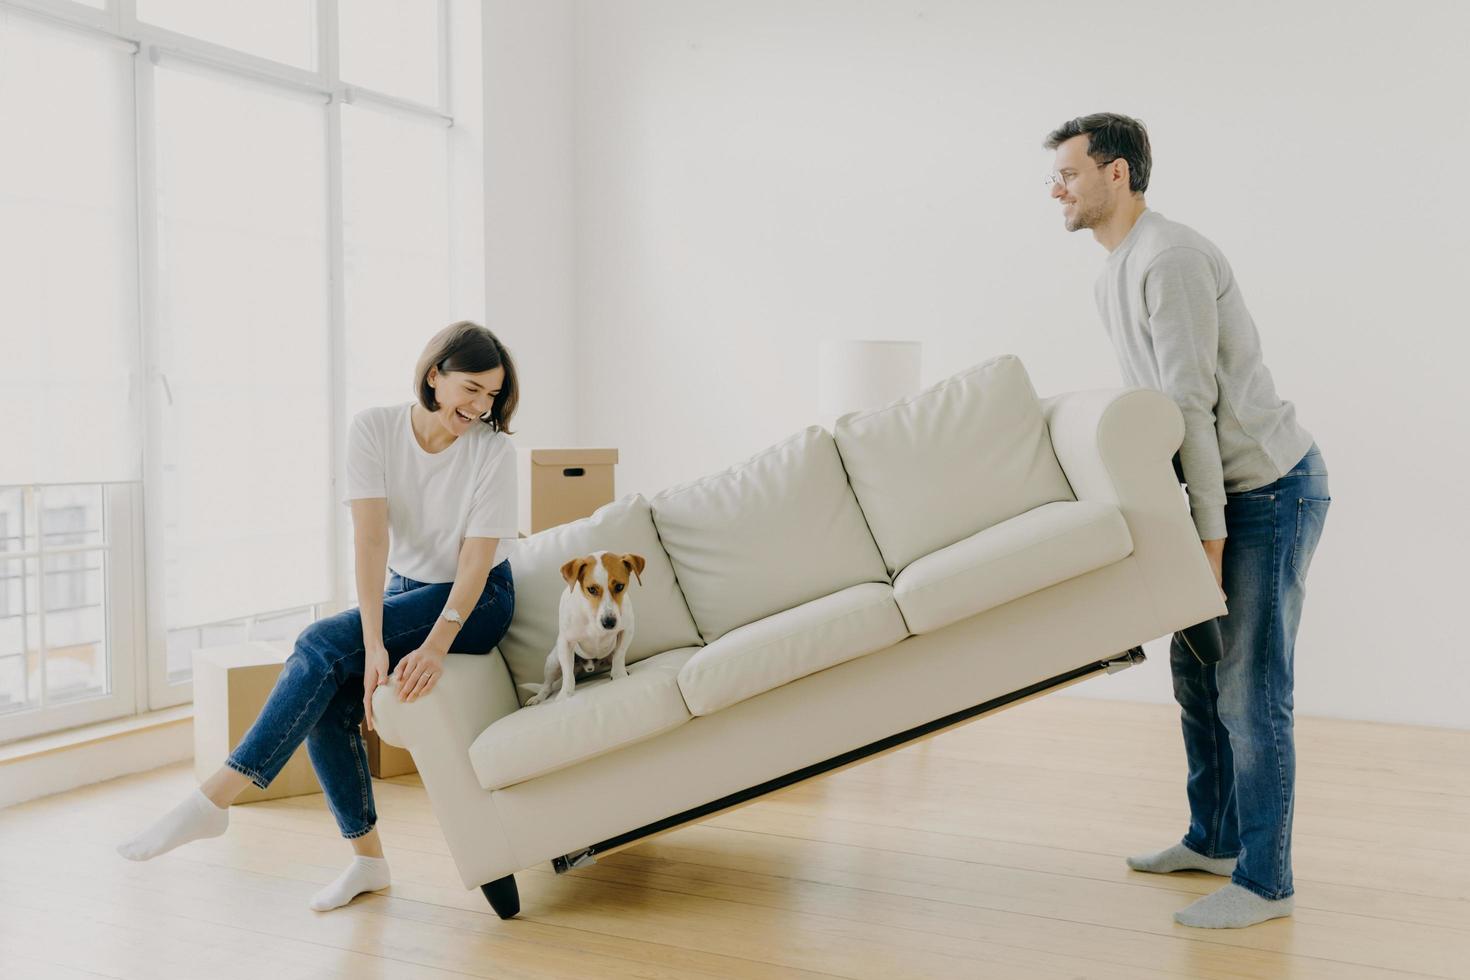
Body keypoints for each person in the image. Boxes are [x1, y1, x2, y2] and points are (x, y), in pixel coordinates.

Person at [118, 321, 521, 912]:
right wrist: (375, 640)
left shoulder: (494, 452)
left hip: (478, 598)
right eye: (471, 390)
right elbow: (370, 541)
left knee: (318, 643)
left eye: (492, 396)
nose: (481, 407)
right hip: (405, 588)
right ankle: (368, 863)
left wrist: (433, 647)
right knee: (332, 696)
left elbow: (477, 562)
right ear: (434, 376)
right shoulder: (375, 429)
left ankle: (214, 800)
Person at [1043, 113, 1330, 929]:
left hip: (1267, 493)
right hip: (1218, 496)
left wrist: (1207, 545)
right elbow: (1158, 420)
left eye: (1068, 173)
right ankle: (1214, 838)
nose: (1056, 190)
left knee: (1250, 692)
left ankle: (1265, 884)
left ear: (1118, 174)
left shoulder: (1166, 259)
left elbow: (1190, 408)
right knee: (1196, 675)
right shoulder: (1115, 271)